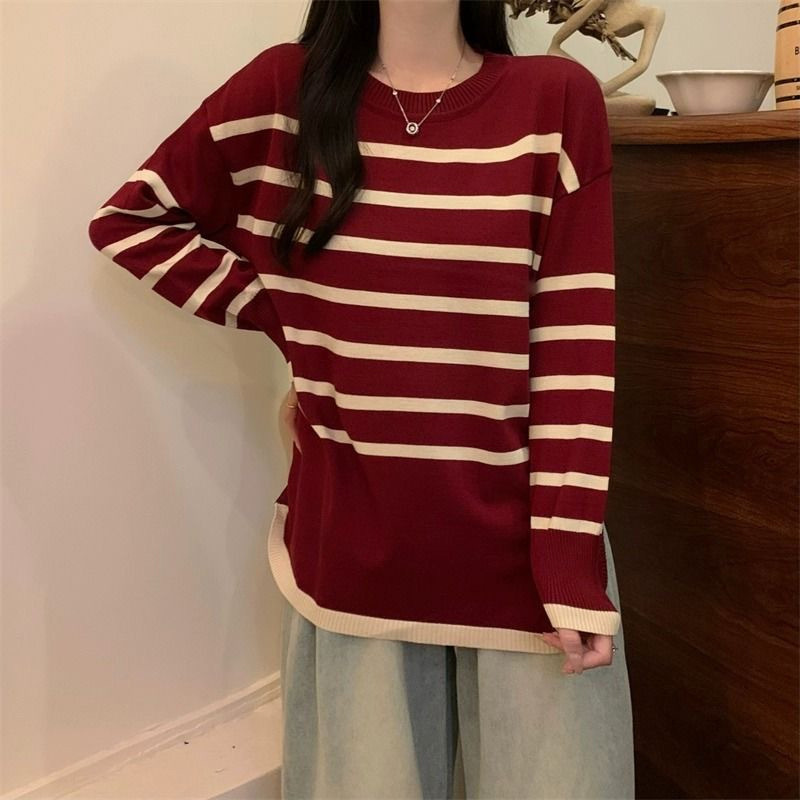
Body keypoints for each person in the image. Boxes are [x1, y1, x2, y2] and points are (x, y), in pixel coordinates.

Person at [87, 1, 635, 797]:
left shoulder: (555, 99)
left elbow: (575, 343)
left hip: (526, 566)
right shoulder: (283, 94)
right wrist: (289, 316)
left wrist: (566, 558)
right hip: (349, 561)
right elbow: (132, 220)